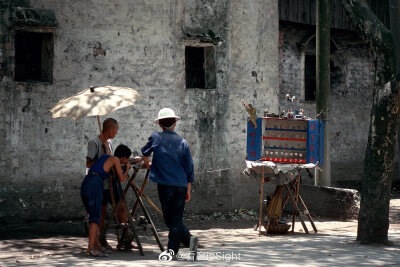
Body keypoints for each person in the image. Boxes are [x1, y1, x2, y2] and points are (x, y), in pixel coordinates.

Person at [141, 108, 198, 260]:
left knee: (169, 218)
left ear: (160, 124)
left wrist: (148, 164)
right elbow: (189, 168)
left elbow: (145, 153)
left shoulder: (155, 137)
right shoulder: (183, 142)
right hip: (180, 185)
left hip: (165, 185)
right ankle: (189, 239)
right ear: (174, 124)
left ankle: (172, 251)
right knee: (175, 218)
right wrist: (189, 189)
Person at [81, 144, 132, 257]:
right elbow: (122, 179)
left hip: (87, 182)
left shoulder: (107, 157)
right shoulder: (115, 160)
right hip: (94, 183)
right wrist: (127, 168)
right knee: (95, 218)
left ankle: (98, 245)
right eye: (126, 159)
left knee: (95, 217)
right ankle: (91, 248)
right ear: (123, 158)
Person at [85, 118, 129, 250]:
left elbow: (113, 161)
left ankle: (125, 238)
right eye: (116, 130)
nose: (116, 133)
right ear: (111, 129)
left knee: (121, 207)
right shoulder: (94, 142)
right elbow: (89, 163)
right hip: (99, 183)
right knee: (101, 211)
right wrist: (104, 163)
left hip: (111, 182)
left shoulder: (109, 143)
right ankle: (100, 239)